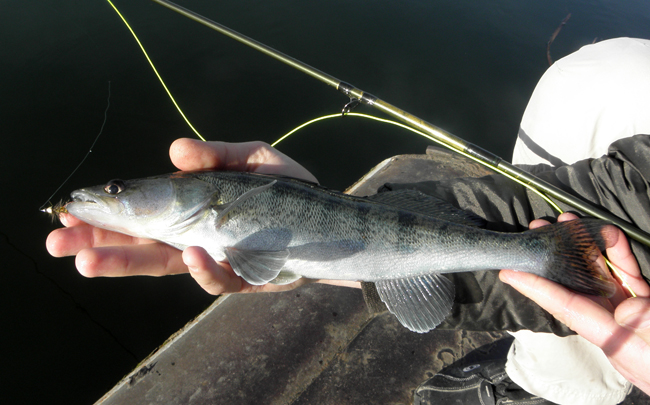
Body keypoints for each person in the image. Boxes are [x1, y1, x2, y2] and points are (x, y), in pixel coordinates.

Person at [47, 38, 650, 403]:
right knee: (596, 70)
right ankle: (562, 354)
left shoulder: (213, 198)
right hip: (598, 244)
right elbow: (626, 188)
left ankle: (563, 382)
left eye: (119, 190)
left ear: (189, 195)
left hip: (599, 290)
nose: (110, 195)